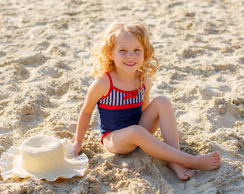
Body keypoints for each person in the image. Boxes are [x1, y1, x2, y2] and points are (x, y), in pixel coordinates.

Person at [74, 21, 221, 180]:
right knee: (136, 132)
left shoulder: (144, 79)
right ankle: (191, 161)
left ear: (145, 53)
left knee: (162, 101)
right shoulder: (103, 83)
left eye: (136, 50)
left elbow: (145, 109)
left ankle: (175, 161)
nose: (130, 56)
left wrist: (169, 129)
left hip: (140, 129)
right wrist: (77, 142)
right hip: (115, 139)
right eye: (123, 51)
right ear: (110, 54)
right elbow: (87, 111)